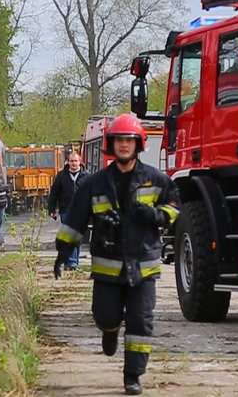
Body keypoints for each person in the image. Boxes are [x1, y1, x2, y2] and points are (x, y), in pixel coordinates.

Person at [54, 114, 180, 395]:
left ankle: (133, 375)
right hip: (108, 267)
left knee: (140, 321)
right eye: (120, 140)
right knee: (105, 315)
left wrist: (155, 216)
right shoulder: (94, 183)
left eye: (129, 140)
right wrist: (63, 251)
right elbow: (75, 219)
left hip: (143, 266)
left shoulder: (156, 179)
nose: (124, 145)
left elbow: (174, 206)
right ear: (112, 145)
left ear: (138, 144)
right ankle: (109, 332)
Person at [48, 151, 88, 269]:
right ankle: (71, 262)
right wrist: (52, 209)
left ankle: (73, 261)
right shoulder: (61, 176)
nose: (74, 163)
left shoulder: (87, 176)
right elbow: (54, 193)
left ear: (80, 162)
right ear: (68, 162)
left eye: (76, 161)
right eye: (71, 161)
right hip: (66, 210)